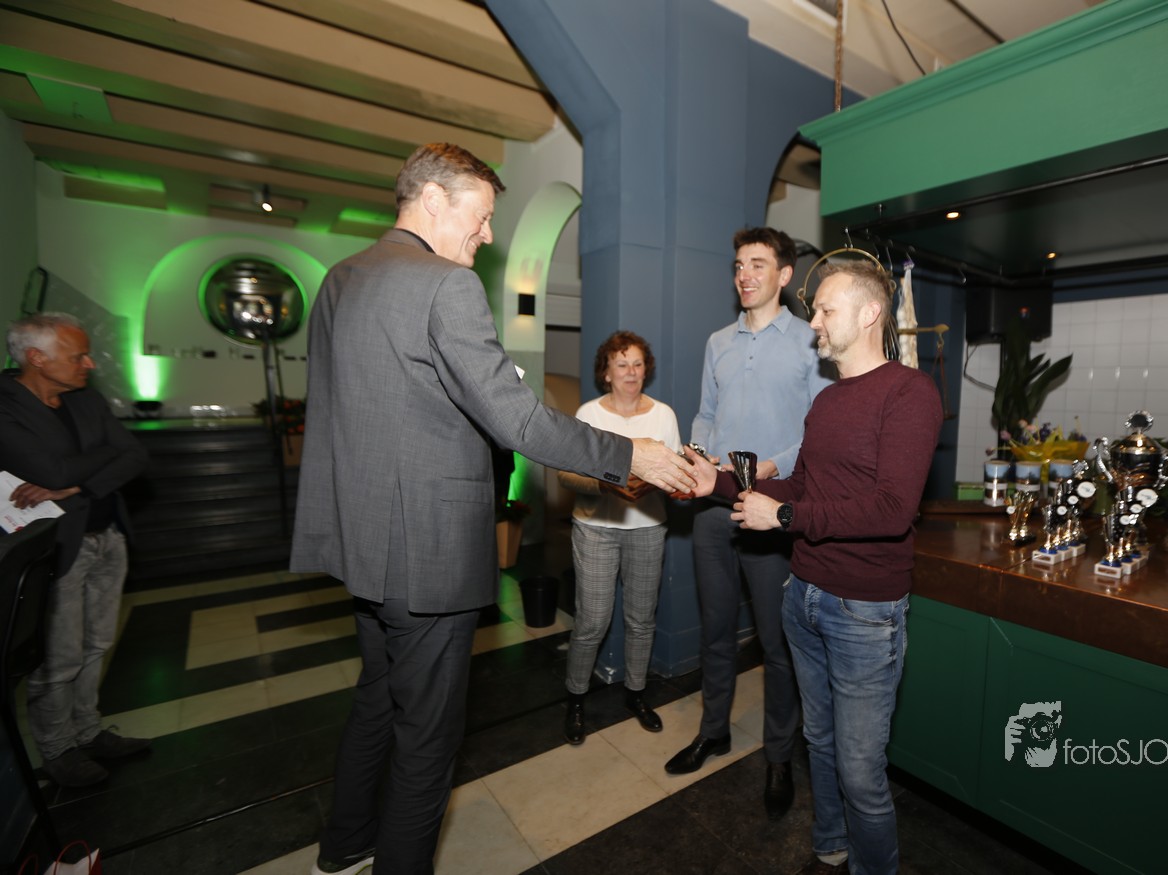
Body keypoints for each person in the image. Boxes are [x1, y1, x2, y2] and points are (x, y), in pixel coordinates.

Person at [289, 143, 695, 875]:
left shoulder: (340, 278)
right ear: (432, 200)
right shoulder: (445, 285)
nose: (485, 235)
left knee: (377, 697)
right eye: (479, 217)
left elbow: (340, 408)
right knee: (427, 739)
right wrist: (629, 453)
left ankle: (343, 843)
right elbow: (519, 421)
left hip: (362, 538)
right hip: (425, 547)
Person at [683, 258, 943, 875]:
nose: (815, 322)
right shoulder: (827, 401)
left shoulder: (910, 393)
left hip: (863, 610)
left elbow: (891, 509)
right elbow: (803, 485)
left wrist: (784, 517)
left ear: (870, 313)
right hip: (803, 596)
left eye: (826, 310)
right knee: (818, 742)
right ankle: (831, 845)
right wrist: (717, 484)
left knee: (860, 769)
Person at [665, 227, 832, 822]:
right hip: (714, 509)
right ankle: (714, 731)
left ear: (784, 275)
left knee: (776, 641)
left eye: (758, 264)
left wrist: (771, 465)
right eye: (739, 264)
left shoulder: (810, 342)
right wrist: (701, 452)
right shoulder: (719, 342)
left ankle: (779, 756)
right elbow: (705, 414)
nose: (745, 274)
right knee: (715, 630)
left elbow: (820, 429)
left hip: (771, 511)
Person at [0, 313, 151, 788]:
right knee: (58, 657)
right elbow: (54, 470)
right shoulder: (6, 406)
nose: (89, 364)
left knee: (97, 644)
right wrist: (88, 467)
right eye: (78, 356)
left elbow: (135, 453)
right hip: (56, 546)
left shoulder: (85, 398)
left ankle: (88, 731)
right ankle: (58, 749)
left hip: (109, 534)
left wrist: (77, 483)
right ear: (37, 358)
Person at [557, 331, 681, 744]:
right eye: (621, 364)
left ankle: (636, 693)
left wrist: (677, 479)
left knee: (641, 619)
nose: (631, 372)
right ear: (606, 372)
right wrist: (607, 484)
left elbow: (674, 472)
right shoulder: (589, 413)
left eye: (638, 364)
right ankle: (576, 697)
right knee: (592, 620)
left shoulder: (664, 416)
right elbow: (565, 474)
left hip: (648, 528)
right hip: (595, 529)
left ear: (647, 370)